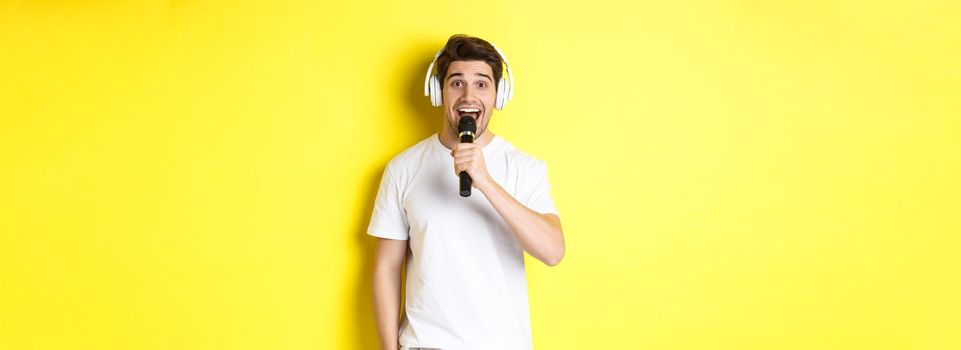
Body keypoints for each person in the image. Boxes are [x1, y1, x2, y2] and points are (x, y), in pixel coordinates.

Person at [367, 34, 565, 350]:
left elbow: (553, 251)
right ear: (438, 92)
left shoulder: (524, 168)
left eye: (482, 84)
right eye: (457, 83)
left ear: (499, 95)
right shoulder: (403, 168)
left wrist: (485, 181)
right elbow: (386, 268)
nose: (469, 95)